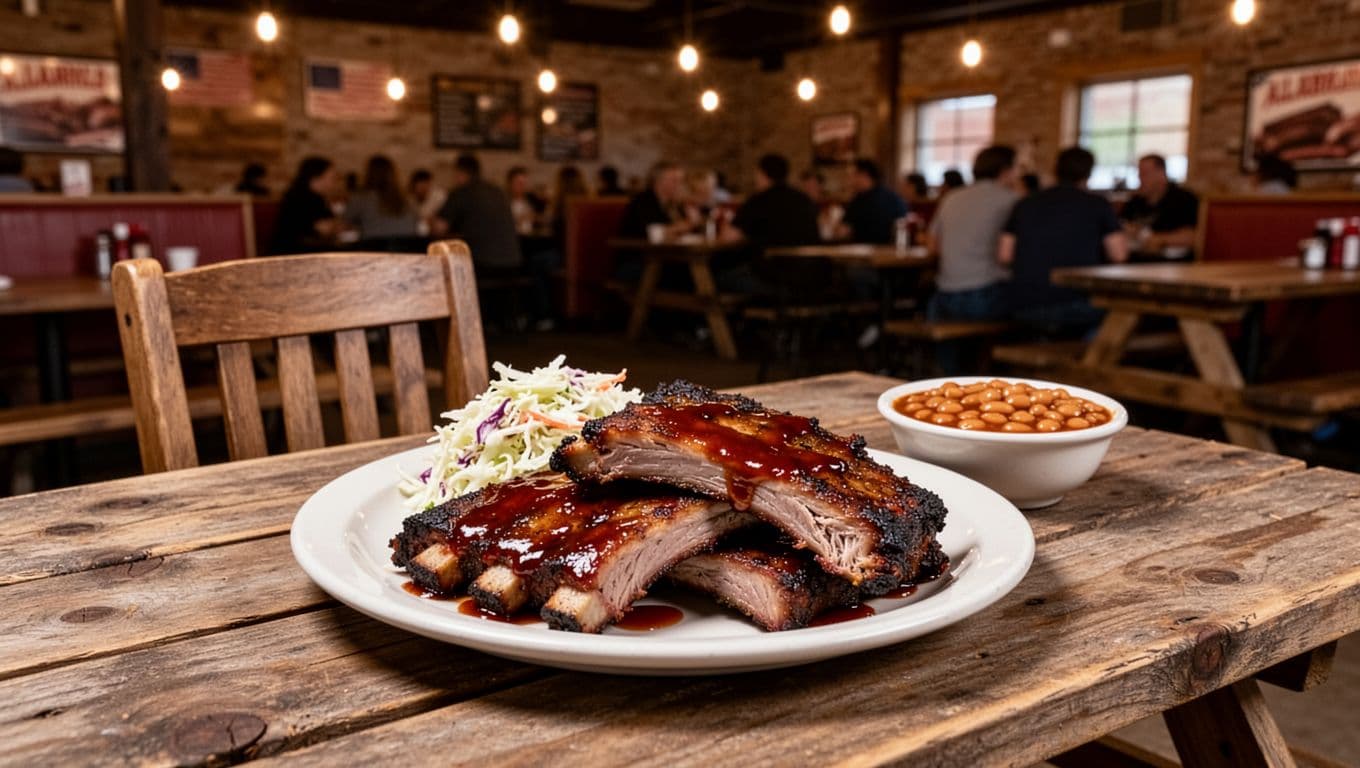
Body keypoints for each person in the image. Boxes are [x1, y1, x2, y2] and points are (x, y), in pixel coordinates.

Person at [999, 146, 1128, 338]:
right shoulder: (1097, 204)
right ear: (1089, 173)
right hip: (1077, 304)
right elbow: (1119, 255)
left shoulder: (1025, 203)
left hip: (1023, 304)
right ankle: (1088, 362)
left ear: (1055, 169)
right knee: (1119, 314)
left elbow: (1004, 255)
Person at [926, 145, 1019, 323]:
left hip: (943, 297)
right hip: (985, 296)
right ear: (1006, 171)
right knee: (1034, 305)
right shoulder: (1012, 200)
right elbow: (1011, 255)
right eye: (1017, 169)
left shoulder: (952, 197)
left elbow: (932, 246)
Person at [435, 153, 521, 271]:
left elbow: (439, 228)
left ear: (460, 172)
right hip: (512, 263)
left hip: (481, 265)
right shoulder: (497, 191)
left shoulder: (461, 192)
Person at [1120, 154, 1199, 254]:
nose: (1139, 178)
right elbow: (1121, 225)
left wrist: (1158, 239)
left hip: (1171, 264)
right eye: (1139, 174)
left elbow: (1194, 237)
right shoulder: (1136, 200)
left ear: (1161, 174)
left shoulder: (1184, 199)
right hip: (1134, 260)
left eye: (1144, 174)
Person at [269, 156, 342, 255]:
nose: (335, 182)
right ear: (316, 178)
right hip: (293, 254)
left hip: (308, 250)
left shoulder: (318, 198)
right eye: (332, 178)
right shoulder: (298, 198)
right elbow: (321, 229)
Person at [345, 154, 420, 241]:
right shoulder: (408, 199)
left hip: (373, 250)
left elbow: (344, 224)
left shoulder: (361, 198)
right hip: (408, 250)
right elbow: (417, 222)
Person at [838, 158, 908, 244]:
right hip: (892, 253)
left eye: (853, 175)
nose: (850, 180)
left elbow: (842, 231)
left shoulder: (859, 200)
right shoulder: (894, 198)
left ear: (864, 175)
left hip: (862, 252)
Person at [618, 161, 690, 242]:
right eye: (675, 180)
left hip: (665, 251)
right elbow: (647, 232)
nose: (680, 185)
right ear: (658, 181)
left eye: (681, 181)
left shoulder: (674, 203)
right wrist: (676, 228)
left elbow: (686, 230)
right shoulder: (642, 201)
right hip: (638, 251)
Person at [506, 166, 546, 236]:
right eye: (519, 183)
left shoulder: (532, 200)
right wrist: (518, 219)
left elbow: (542, 218)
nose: (523, 187)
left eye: (524, 183)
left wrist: (535, 217)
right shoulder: (504, 201)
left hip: (530, 239)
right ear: (510, 183)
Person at [408, 169, 447, 235]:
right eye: (420, 185)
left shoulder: (439, 196)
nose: (423, 188)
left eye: (426, 184)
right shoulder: (410, 199)